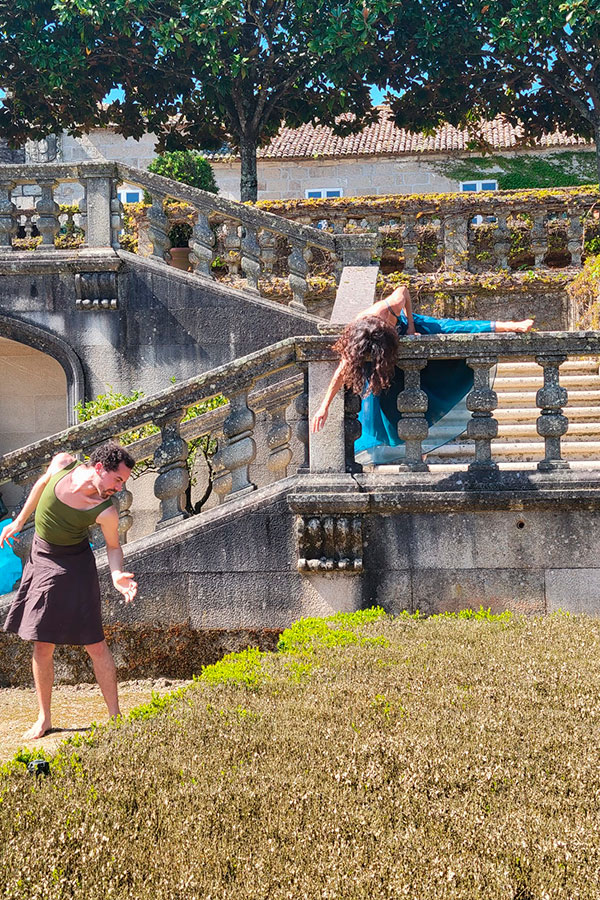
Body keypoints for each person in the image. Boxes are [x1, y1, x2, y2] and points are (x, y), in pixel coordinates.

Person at [1, 441, 138, 740]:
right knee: (41, 643)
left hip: (76, 564)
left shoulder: (105, 511)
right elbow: (40, 485)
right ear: (100, 468)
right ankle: (44, 718)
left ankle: (115, 717)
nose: (119, 488)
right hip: (41, 556)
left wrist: (116, 575)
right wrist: (20, 521)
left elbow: (114, 546)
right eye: (117, 480)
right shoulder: (64, 463)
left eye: (123, 483)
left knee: (95, 643)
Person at [311, 284, 534, 464]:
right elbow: (342, 370)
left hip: (411, 326)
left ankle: (511, 325)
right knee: (394, 401)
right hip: (390, 360)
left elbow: (404, 290)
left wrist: (409, 329)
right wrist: (324, 406)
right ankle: (418, 451)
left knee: (453, 329)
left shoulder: (387, 308)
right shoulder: (359, 338)